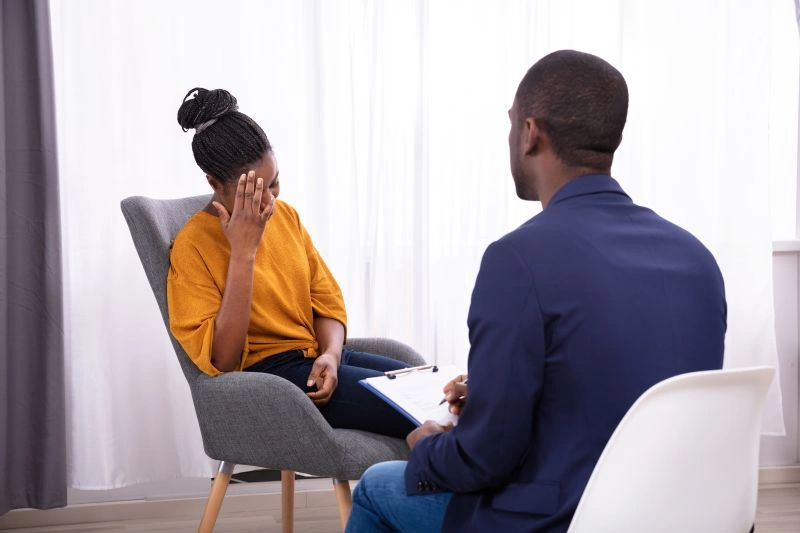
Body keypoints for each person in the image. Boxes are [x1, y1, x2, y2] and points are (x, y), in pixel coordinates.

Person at [345, 50, 727, 532]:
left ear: (530, 133)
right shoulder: (695, 258)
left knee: (379, 485)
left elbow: (484, 460)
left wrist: (427, 445)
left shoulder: (518, 259)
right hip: (678, 515)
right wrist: (491, 398)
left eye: (510, 123)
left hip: (562, 519)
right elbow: (618, 392)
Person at [168, 87, 417, 439]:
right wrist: (243, 252)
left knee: (436, 395)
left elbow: (325, 300)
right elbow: (222, 361)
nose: (269, 200)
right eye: (254, 191)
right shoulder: (191, 247)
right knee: (424, 413)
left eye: (275, 183)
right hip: (273, 381)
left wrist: (331, 354)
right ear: (214, 183)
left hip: (321, 360)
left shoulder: (287, 218)